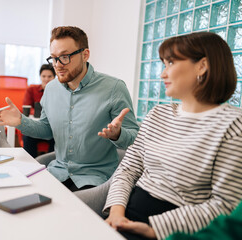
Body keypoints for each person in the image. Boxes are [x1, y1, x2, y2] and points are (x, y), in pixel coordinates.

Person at [102, 32, 242, 240]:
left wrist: (154, 229)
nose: (162, 74)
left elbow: (225, 204)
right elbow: (128, 168)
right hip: (124, 213)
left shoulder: (232, 125)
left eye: (170, 63)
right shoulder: (158, 114)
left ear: (202, 66)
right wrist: (116, 213)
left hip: (175, 231)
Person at [0, 26, 139, 192]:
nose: (57, 65)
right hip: (57, 172)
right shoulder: (51, 89)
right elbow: (46, 130)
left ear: (85, 54)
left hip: (95, 178)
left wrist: (117, 135)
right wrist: (21, 122)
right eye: (53, 58)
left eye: (65, 57)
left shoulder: (114, 88)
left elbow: (135, 138)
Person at [22, 64, 56, 157]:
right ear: (40, 77)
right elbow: (26, 108)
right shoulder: (32, 89)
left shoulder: (59, 91)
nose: (46, 79)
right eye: (43, 76)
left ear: (54, 77)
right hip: (36, 127)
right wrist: (40, 113)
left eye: (49, 76)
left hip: (52, 130)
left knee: (57, 138)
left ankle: (50, 166)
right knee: (28, 136)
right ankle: (31, 165)